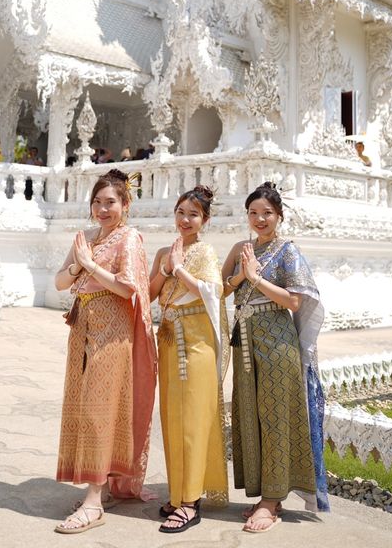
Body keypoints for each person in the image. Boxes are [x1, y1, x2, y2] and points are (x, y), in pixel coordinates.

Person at [53, 168, 157, 534]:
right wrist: (78, 262)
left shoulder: (129, 239)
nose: (102, 208)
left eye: (110, 202)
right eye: (97, 202)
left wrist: (90, 263)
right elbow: (60, 280)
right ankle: (100, 485)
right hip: (82, 329)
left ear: (125, 205)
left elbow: (128, 288)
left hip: (112, 335)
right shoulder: (86, 238)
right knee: (83, 407)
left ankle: (94, 501)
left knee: (100, 411)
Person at [222, 182, 329, 534]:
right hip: (246, 340)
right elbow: (223, 287)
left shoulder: (287, 252)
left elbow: (295, 301)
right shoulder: (242, 248)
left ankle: (272, 500)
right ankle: (262, 493)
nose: (260, 219)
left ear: (279, 215)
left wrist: (255, 279)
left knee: (275, 416)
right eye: (253, 213)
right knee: (249, 414)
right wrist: (242, 273)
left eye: (266, 213)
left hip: (276, 340)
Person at [150, 185, 228, 534]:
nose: (185, 219)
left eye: (193, 214)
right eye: (181, 212)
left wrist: (180, 269)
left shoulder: (205, 252)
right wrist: (168, 268)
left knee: (194, 422)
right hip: (167, 342)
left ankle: (191, 502)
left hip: (195, 347)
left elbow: (212, 291)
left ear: (204, 220)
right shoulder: (166, 252)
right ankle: (178, 492)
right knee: (172, 420)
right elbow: (148, 292)